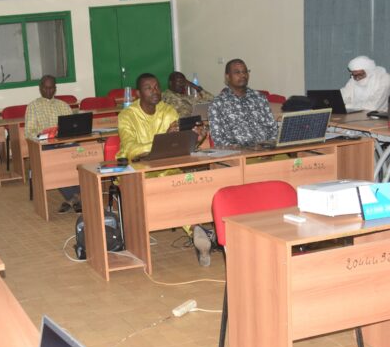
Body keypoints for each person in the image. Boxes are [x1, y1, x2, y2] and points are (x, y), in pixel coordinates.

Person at [116, 73, 214, 266]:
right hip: (134, 169)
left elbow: (178, 146)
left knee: (181, 185)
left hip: (165, 167)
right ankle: (194, 229)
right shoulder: (127, 115)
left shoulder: (168, 111)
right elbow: (130, 149)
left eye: (156, 87)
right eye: (148, 88)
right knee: (165, 188)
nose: (155, 91)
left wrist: (196, 138)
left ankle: (195, 229)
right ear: (138, 93)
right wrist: (164, 139)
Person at [24, 75, 79, 212]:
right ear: (40, 88)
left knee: (81, 153)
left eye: (51, 88)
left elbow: (72, 127)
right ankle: (77, 196)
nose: (48, 91)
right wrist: (44, 136)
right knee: (55, 162)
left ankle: (75, 198)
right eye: (45, 88)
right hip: (45, 146)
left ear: (55, 88)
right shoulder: (33, 107)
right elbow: (29, 132)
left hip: (65, 144)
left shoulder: (63, 105)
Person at [207, 59, 276, 147]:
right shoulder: (218, 104)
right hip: (238, 152)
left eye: (245, 72)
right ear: (227, 76)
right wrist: (244, 150)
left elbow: (273, 128)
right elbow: (218, 139)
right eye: (237, 72)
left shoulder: (259, 97)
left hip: (266, 150)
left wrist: (268, 146)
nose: (243, 75)